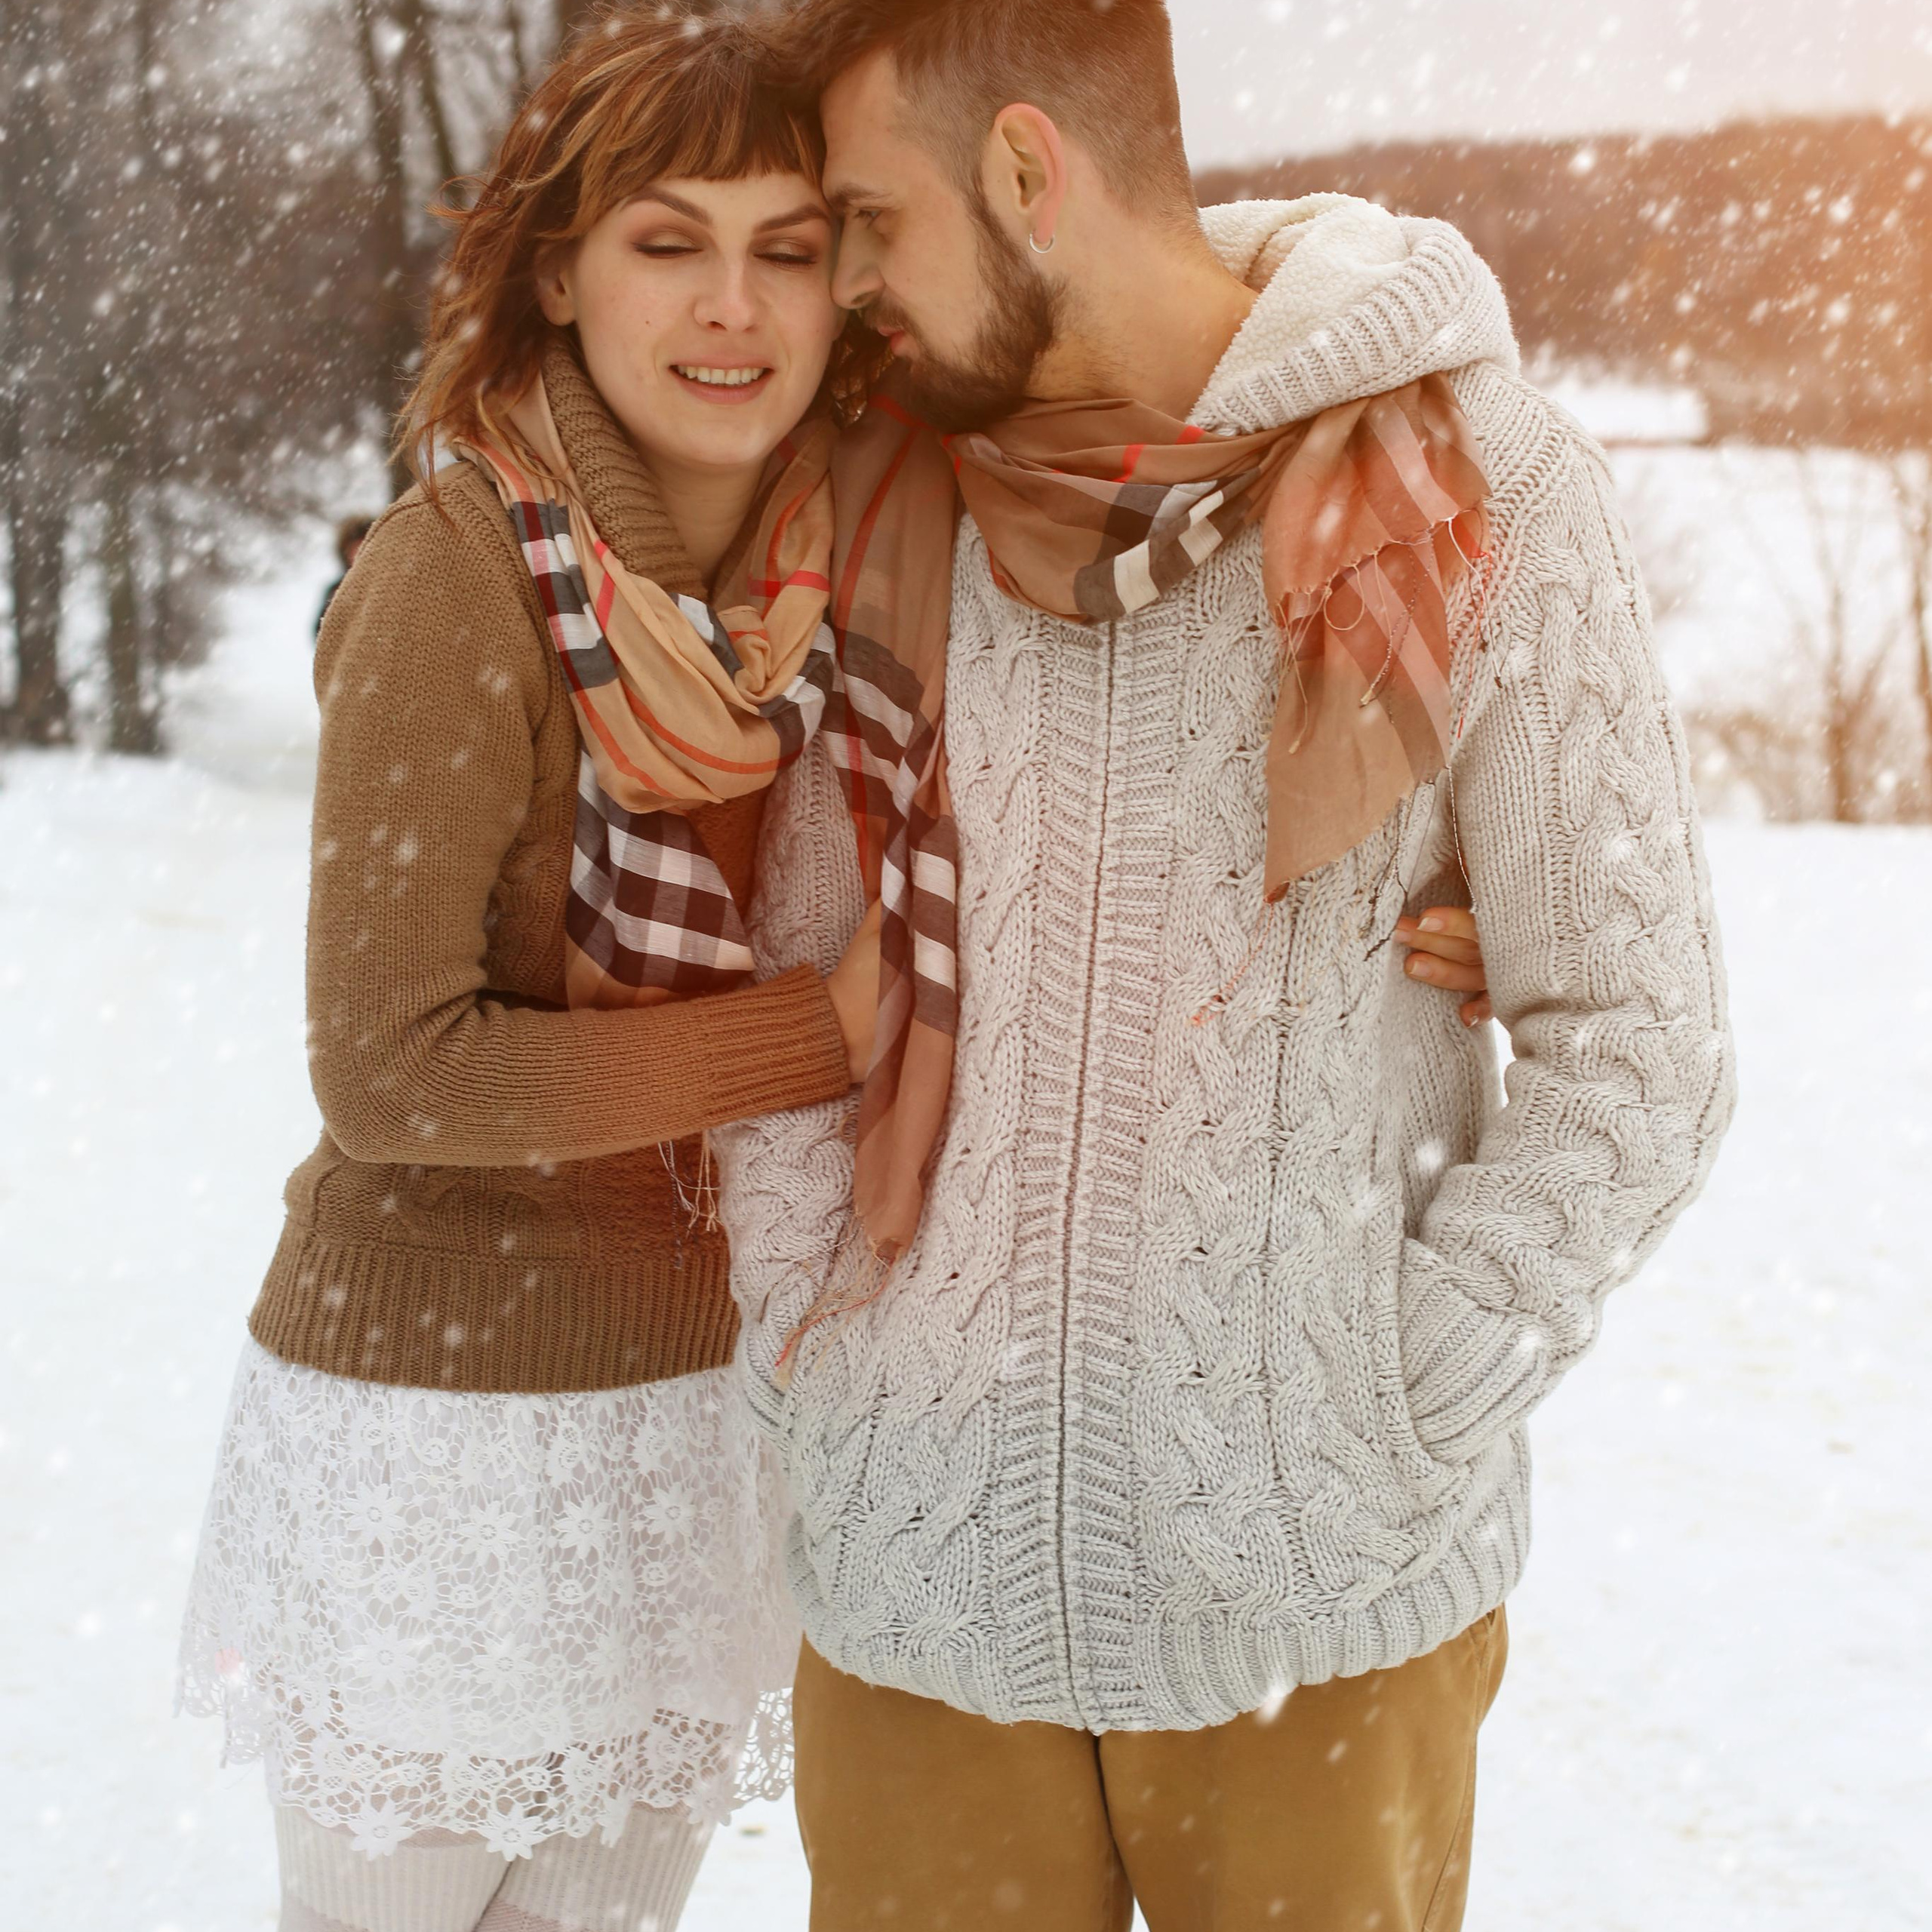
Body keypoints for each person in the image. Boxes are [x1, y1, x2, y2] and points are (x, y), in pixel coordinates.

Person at [708, 4, 1736, 1928]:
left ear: (1027, 172)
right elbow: (786, 989)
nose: (841, 286)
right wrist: (808, 1347)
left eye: (866, 219)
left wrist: (1392, 1392)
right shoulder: (872, 499)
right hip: (914, 1606)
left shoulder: (1470, 483)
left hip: (1315, 1622)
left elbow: (1640, 1037)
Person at [177, 15, 894, 1927]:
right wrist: (809, 1038)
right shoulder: (459, 570)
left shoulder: (837, 584)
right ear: (559, 273)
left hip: (683, 1408)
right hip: (433, 1432)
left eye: (786, 244)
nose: (730, 304)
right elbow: (391, 1069)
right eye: (667, 242)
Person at [313, 513, 375, 640]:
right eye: (356, 547)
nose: (362, 553)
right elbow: (321, 634)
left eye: (367, 545)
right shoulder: (337, 590)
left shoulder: (391, 583)